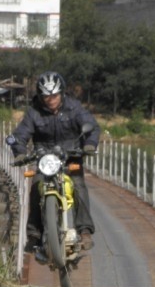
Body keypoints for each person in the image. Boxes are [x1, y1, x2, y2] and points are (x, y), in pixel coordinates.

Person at [9, 71, 100, 252]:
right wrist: (19, 152)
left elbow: (92, 126)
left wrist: (89, 144)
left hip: (70, 157)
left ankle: (84, 231)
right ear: (41, 96)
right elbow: (20, 135)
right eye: (46, 96)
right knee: (36, 187)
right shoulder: (34, 113)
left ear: (61, 93)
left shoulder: (74, 108)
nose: (50, 99)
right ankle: (34, 235)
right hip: (45, 159)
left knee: (79, 186)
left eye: (54, 95)